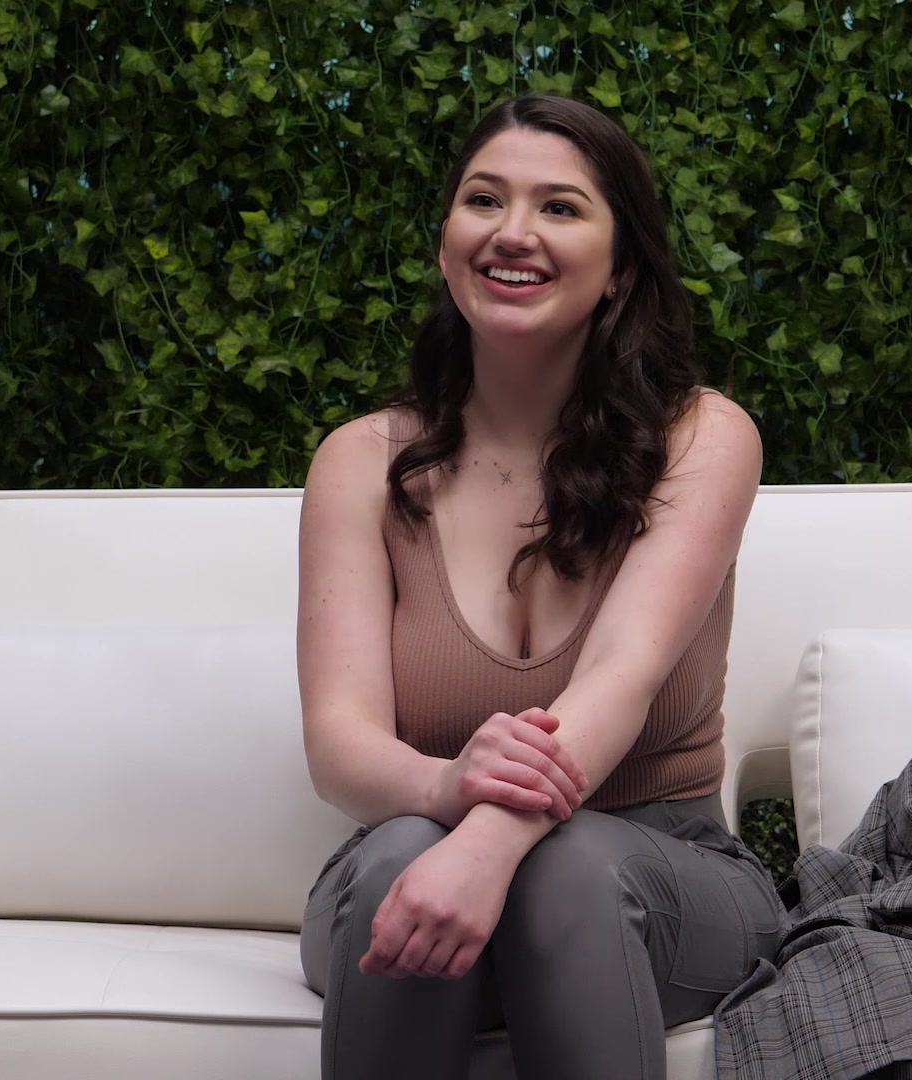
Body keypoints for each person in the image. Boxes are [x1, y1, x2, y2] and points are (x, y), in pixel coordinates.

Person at [294, 94, 785, 1079]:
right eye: (484, 200)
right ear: (446, 244)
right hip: (413, 861)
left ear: (621, 268)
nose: (512, 232)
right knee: (397, 857)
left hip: (660, 874)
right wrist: (443, 790)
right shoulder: (360, 462)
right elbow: (340, 740)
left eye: (559, 207)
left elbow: (619, 675)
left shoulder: (702, 438)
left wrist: (487, 849)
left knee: (566, 871)